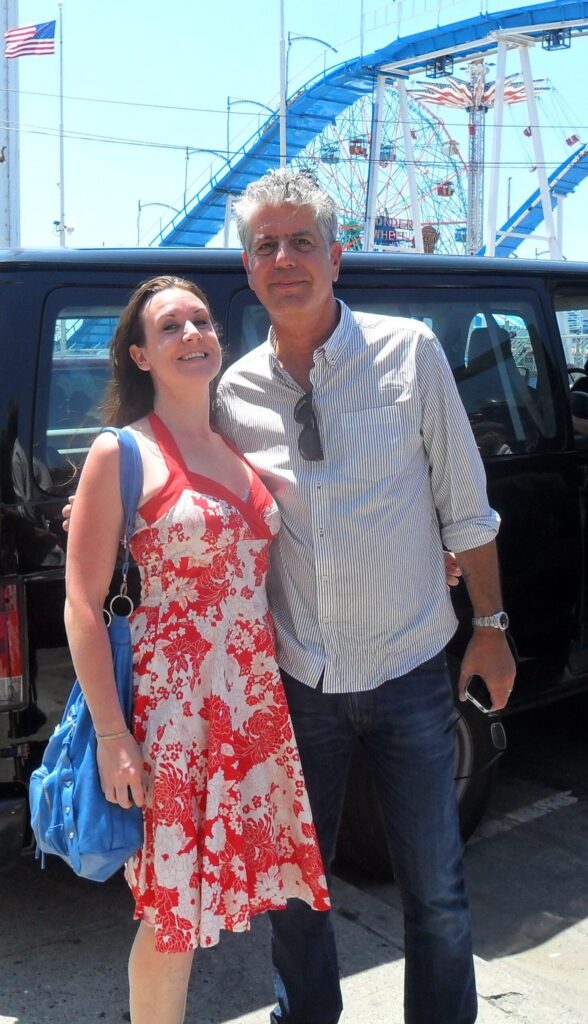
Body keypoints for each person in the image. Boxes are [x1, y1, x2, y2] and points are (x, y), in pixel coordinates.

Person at [211, 168, 517, 1024]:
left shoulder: (409, 352)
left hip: (411, 671)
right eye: (265, 245)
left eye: (301, 240)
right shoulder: (234, 393)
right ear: (247, 268)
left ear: (336, 256)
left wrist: (489, 627)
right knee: (296, 896)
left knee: (439, 895)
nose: (285, 258)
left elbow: (466, 504)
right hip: (298, 682)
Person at [63, 275, 330, 1024]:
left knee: (225, 898)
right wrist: (115, 737)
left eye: (202, 321)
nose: (192, 335)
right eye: (171, 327)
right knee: (172, 914)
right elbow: (82, 605)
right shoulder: (121, 452)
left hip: (250, 709)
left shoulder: (235, 445)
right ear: (141, 355)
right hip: (172, 721)